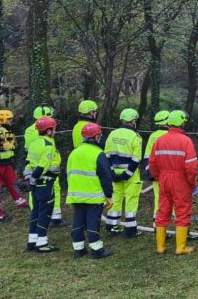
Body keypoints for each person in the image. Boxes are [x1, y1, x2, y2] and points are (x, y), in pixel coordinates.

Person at [150, 110, 198, 255]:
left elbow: (152, 162)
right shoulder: (186, 141)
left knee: (162, 210)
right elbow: (191, 166)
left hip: (163, 178)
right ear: (182, 123)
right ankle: (180, 247)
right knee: (182, 211)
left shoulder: (160, 140)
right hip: (180, 180)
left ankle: (160, 246)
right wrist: (191, 182)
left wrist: (159, 177)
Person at [66, 122, 114, 259]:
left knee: (78, 221)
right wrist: (109, 195)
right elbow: (106, 176)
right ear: (97, 136)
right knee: (93, 222)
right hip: (93, 195)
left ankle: (78, 249)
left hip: (76, 194)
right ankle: (97, 250)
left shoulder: (74, 153)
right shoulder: (98, 153)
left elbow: (68, 173)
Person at [104, 108, 143, 238]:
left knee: (116, 198)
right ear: (133, 121)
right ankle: (130, 229)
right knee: (131, 199)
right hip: (130, 174)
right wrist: (127, 173)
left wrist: (111, 173)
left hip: (114, 172)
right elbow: (136, 158)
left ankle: (112, 226)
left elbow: (106, 155)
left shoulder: (112, 134)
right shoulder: (135, 136)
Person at [25, 106, 65, 227]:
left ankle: (46, 215)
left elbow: (28, 149)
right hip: (44, 167)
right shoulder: (44, 129)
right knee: (48, 191)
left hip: (36, 165)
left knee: (40, 192)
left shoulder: (30, 129)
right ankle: (48, 216)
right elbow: (46, 148)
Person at [26, 116, 61, 253]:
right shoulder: (48, 145)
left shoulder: (34, 143)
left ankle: (32, 240)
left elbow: (29, 163)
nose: (55, 132)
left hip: (35, 186)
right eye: (53, 129)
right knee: (44, 213)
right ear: (48, 131)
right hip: (45, 184)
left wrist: (29, 179)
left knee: (35, 212)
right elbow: (43, 166)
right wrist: (34, 179)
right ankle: (42, 242)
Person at [0, 109, 28, 210]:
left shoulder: (6, 129)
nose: (11, 121)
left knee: (12, 181)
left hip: (6, 162)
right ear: (2, 119)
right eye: (9, 119)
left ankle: (19, 200)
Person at [141, 110, 169, 218]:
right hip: (170, 174)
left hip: (156, 174)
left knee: (158, 198)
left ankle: (156, 224)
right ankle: (181, 228)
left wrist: (149, 172)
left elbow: (147, 156)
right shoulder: (171, 135)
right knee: (176, 200)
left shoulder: (152, 136)